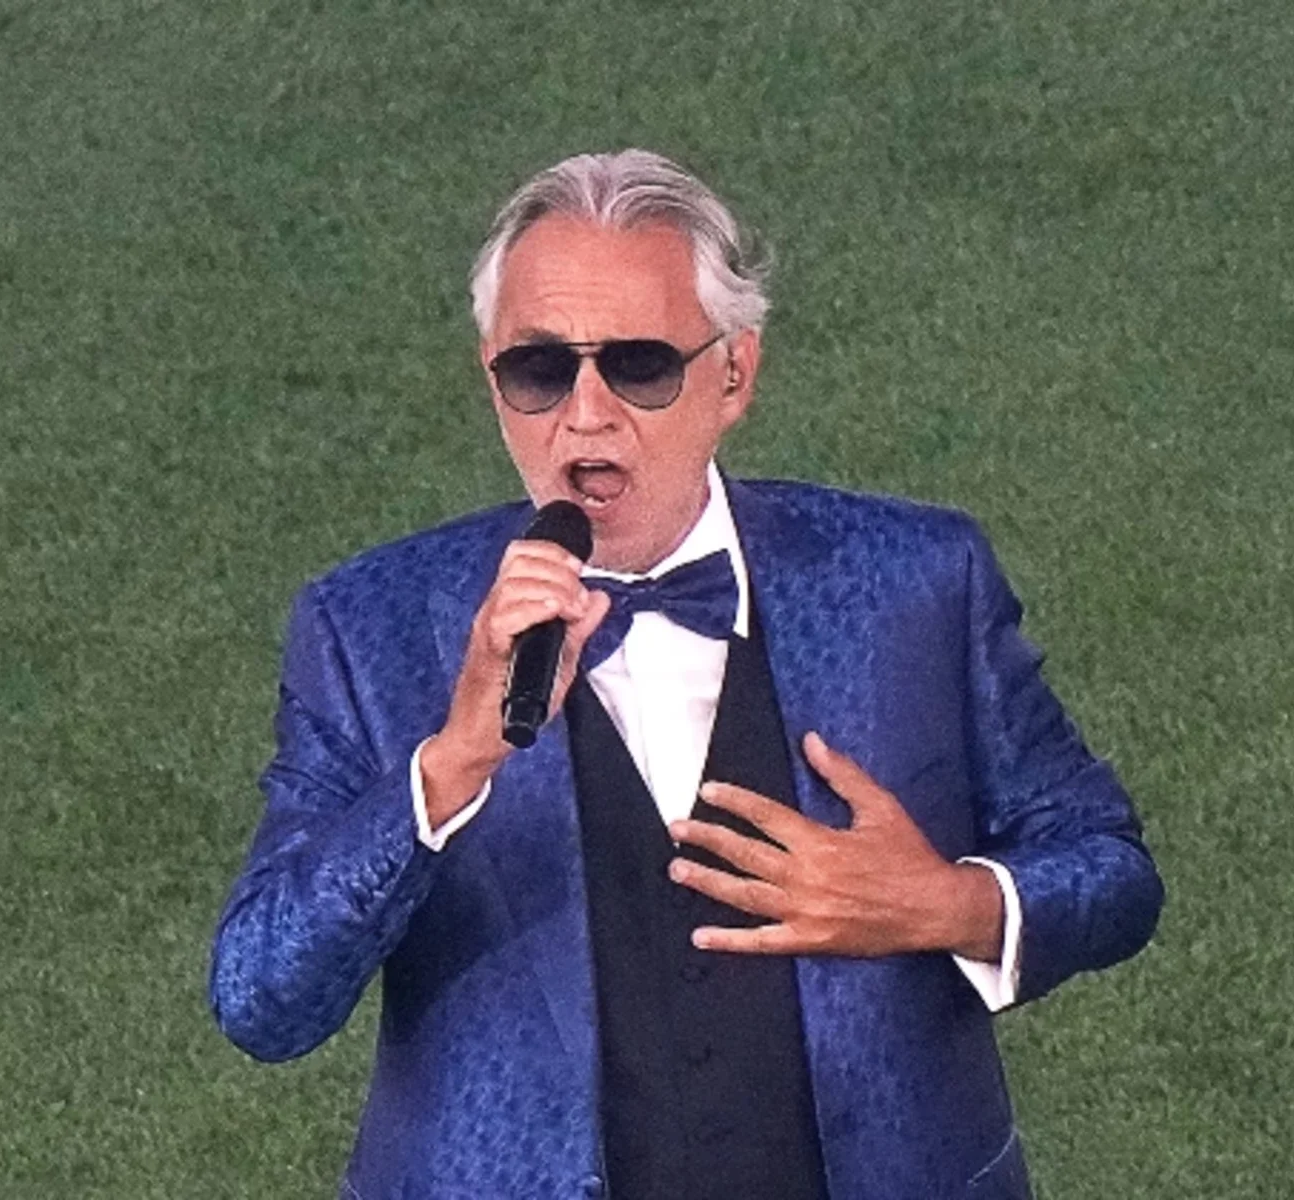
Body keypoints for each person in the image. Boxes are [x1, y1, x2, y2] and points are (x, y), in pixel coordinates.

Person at [209, 150, 1163, 1200]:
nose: (584, 415)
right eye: (539, 370)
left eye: (638, 365)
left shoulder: (916, 585)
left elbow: (1109, 869)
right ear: (491, 376)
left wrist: (947, 906)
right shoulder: (368, 627)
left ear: (733, 375)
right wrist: (445, 768)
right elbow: (262, 1000)